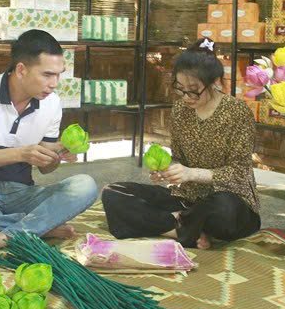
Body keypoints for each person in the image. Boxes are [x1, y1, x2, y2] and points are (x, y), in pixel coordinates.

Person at [0, 29, 98, 257]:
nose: (54, 84)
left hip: (23, 194)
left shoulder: (52, 103)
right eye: (47, 75)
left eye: (58, 75)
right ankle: (37, 228)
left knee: (85, 184)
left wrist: (56, 156)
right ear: (21, 69)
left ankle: (7, 234)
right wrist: (22, 154)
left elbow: (45, 169)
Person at [102, 38, 261, 249]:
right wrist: (169, 169)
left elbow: (239, 173)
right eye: (180, 88)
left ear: (214, 82)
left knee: (224, 211)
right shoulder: (179, 110)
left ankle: (175, 223)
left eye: (193, 89)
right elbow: (178, 157)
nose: (186, 96)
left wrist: (191, 173)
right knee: (113, 192)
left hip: (230, 201)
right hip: (187, 198)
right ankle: (179, 228)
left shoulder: (237, 112)